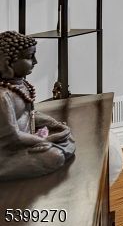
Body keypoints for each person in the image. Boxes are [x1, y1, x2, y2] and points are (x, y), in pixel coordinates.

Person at [0, 31, 75, 180]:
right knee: (54, 156)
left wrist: (55, 125)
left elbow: (30, 114)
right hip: (7, 151)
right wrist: (45, 141)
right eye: (29, 57)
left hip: (28, 138)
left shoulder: (21, 85)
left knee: (67, 139)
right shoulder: (3, 96)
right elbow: (12, 136)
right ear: (8, 63)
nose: (35, 61)